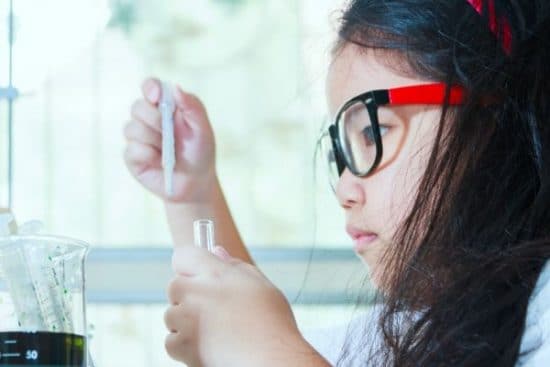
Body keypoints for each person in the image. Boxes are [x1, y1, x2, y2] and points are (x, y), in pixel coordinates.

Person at [123, 0, 550, 365]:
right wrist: (193, 194)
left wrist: (270, 348)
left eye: (372, 133)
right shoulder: (425, 326)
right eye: (341, 154)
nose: (345, 190)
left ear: (488, 119)